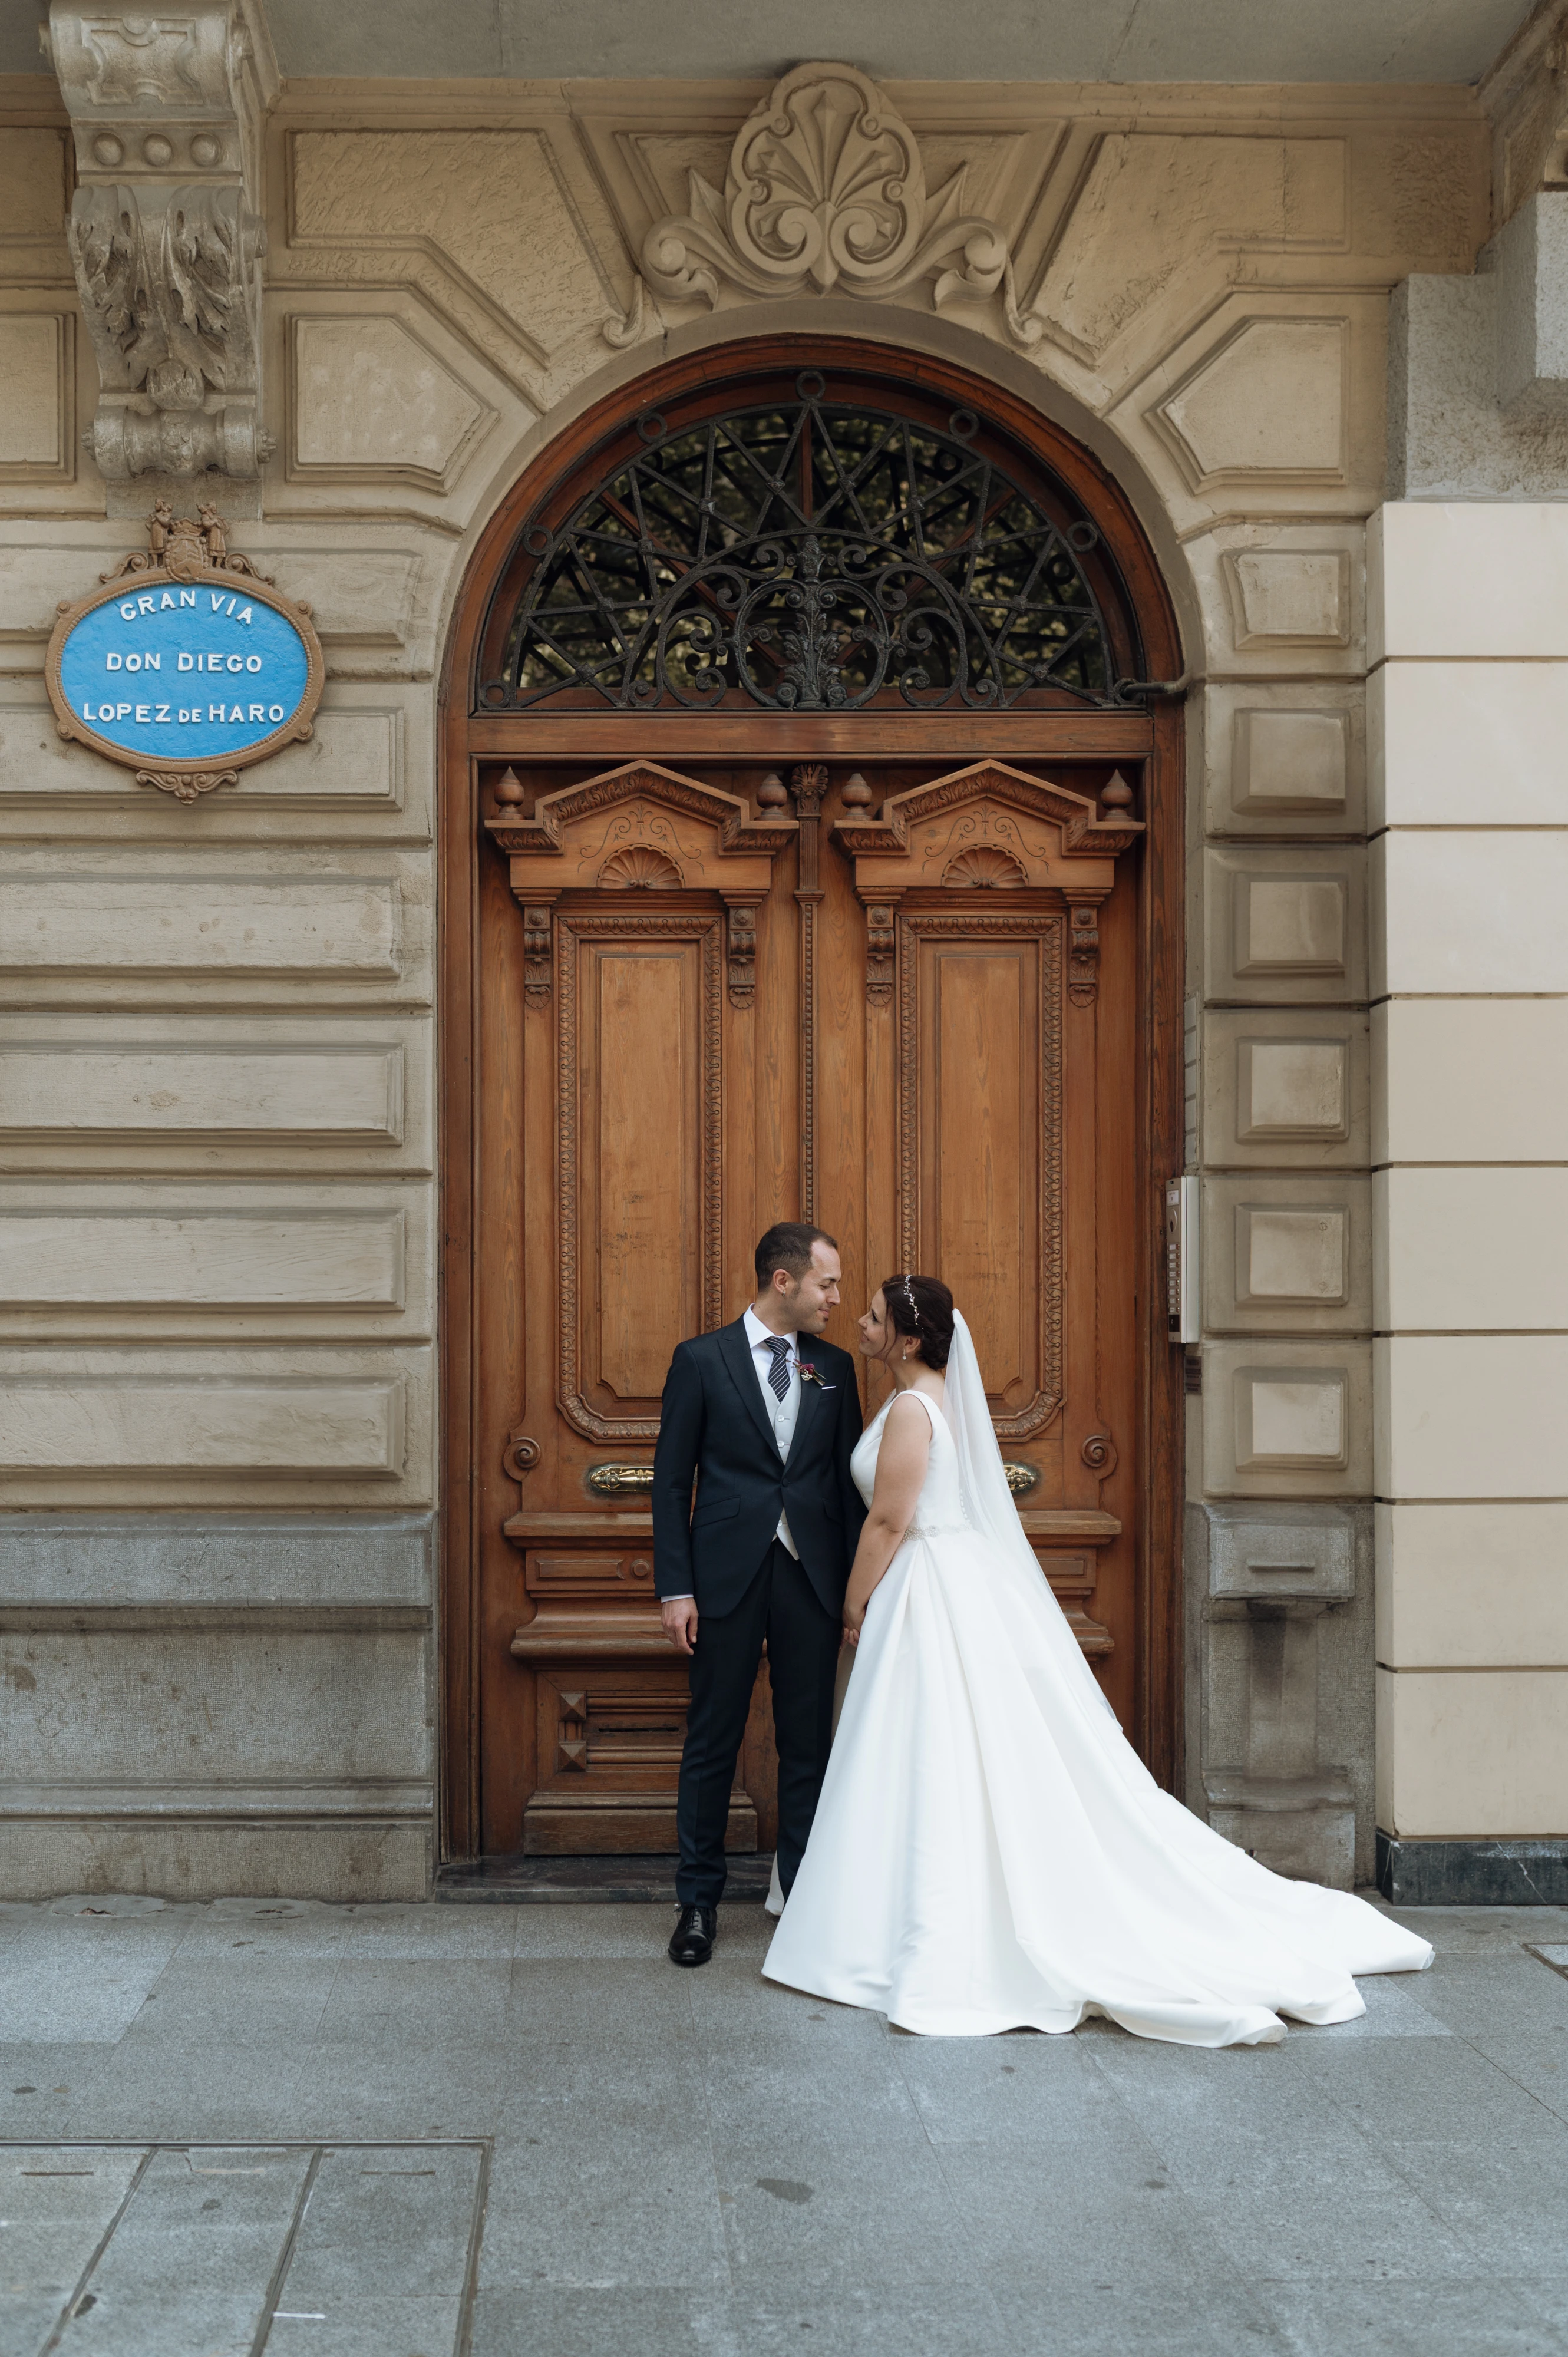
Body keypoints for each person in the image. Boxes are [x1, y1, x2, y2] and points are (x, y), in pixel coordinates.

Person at [762, 1275, 1433, 2046]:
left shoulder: (914, 1410)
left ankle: (908, 1919)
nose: (861, 1323)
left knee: (928, 1745)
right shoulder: (916, 1402)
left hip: (926, 1586)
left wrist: (852, 1603)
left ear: (909, 1339)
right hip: (945, 1584)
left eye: (875, 1317)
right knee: (930, 1749)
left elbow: (887, 1520)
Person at [652, 1222, 865, 1969]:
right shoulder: (701, 1360)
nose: (836, 1298)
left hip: (811, 1577)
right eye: (827, 1284)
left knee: (809, 1744)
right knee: (713, 1741)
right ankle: (698, 1905)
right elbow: (673, 1483)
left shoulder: (835, 1367)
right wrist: (676, 1588)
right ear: (785, 1281)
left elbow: (847, 1486)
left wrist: (859, 1592)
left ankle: (803, 1899)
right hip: (723, 1579)